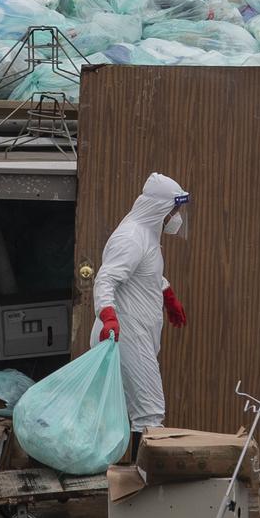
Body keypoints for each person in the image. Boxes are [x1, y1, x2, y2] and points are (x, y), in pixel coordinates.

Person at [91, 172, 189, 455]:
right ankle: (141, 484)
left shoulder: (147, 235)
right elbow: (106, 279)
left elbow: (146, 274)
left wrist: (167, 295)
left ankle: (121, 477)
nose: (176, 216)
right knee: (150, 412)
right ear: (159, 208)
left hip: (137, 331)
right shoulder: (132, 237)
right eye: (174, 209)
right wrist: (109, 315)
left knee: (124, 409)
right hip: (126, 333)